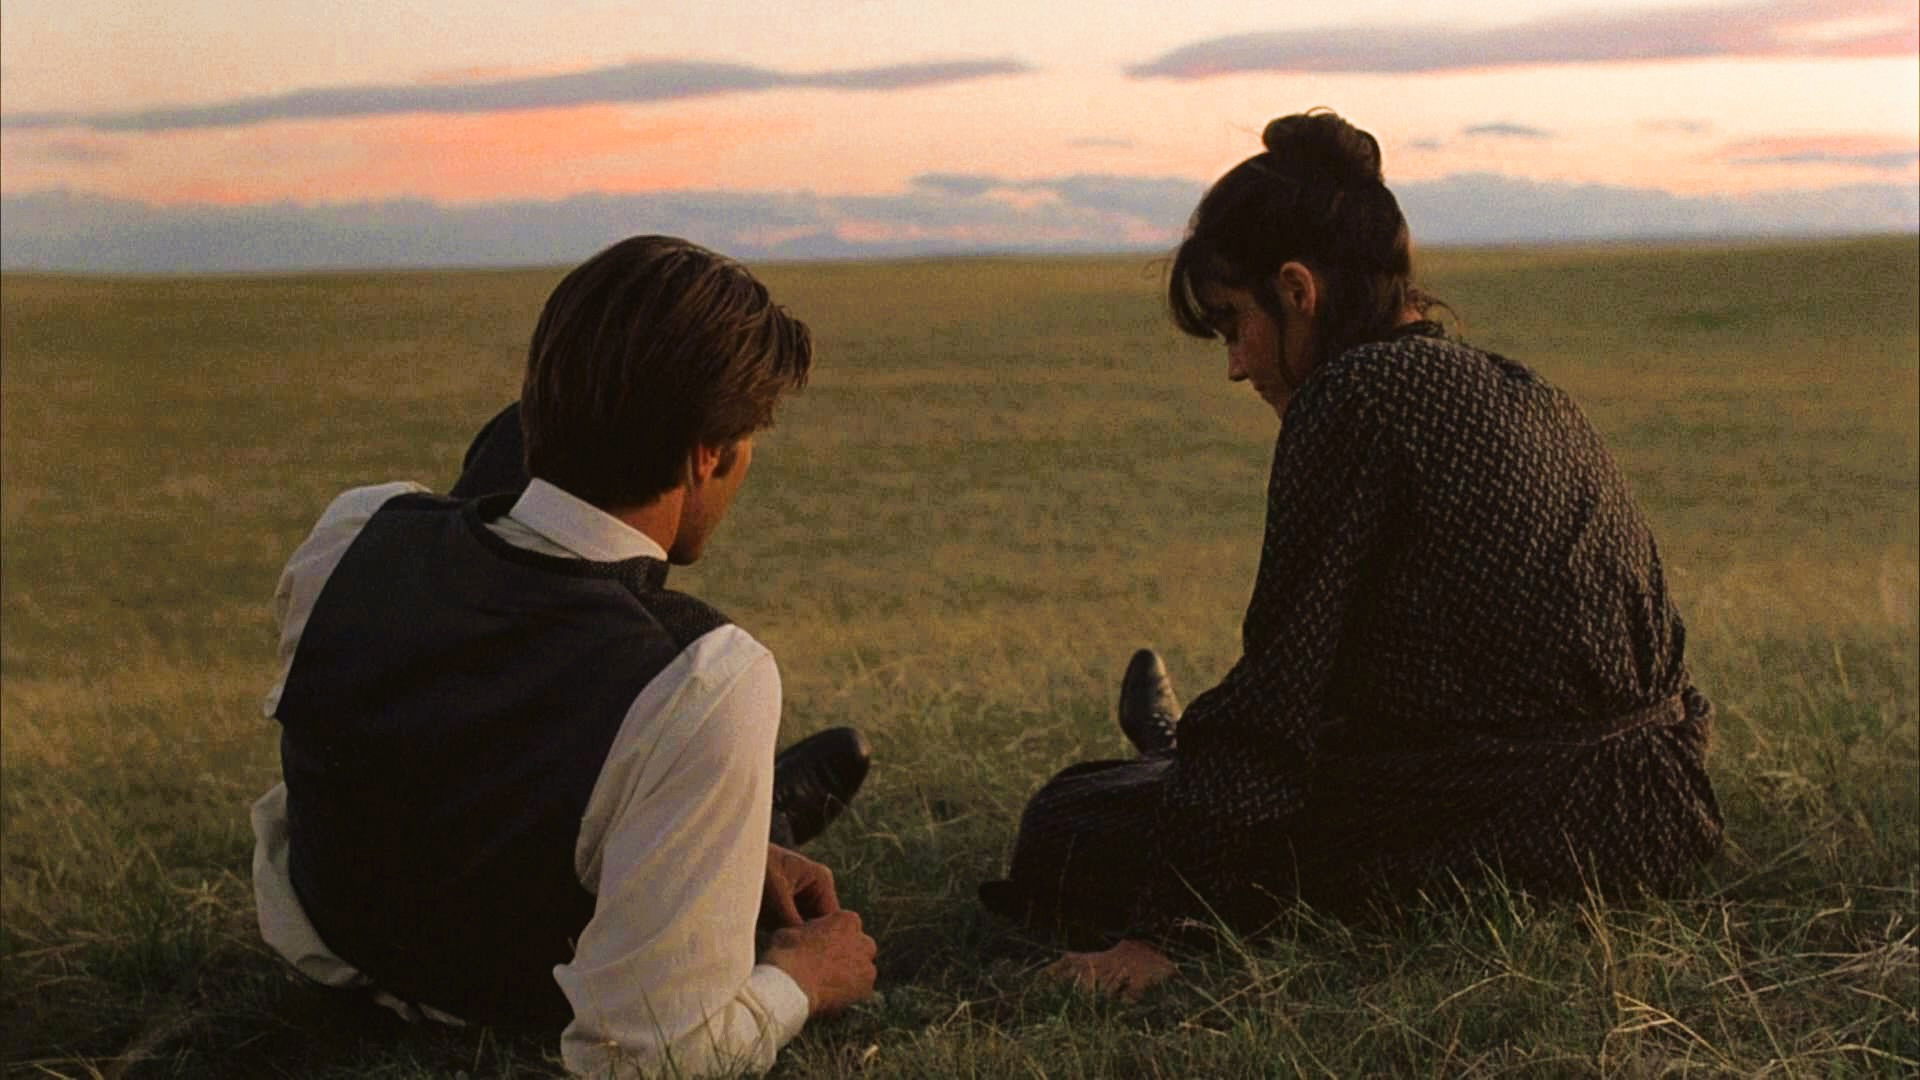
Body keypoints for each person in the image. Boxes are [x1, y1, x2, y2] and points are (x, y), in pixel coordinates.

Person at [981, 110, 1724, 996]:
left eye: (1233, 323)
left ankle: (1171, 762)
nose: (1235, 365)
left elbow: (1279, 694)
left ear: (1298, 290)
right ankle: (1175, 761)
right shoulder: (1519, 385)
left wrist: (1165, 932)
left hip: (1528, 829)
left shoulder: (1353, 394)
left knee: (1068, 820)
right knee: (1183, 788)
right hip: (1660, 812)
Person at [250, 235, 878, 1076]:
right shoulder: (705, 677)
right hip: (513, 995)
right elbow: (650, 1056)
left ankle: (717, 829)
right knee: (677, 737)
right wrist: (801, 979)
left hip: (335, 942)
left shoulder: (358, 530)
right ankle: (726, 812)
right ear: (707, 453)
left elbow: (432, 734)